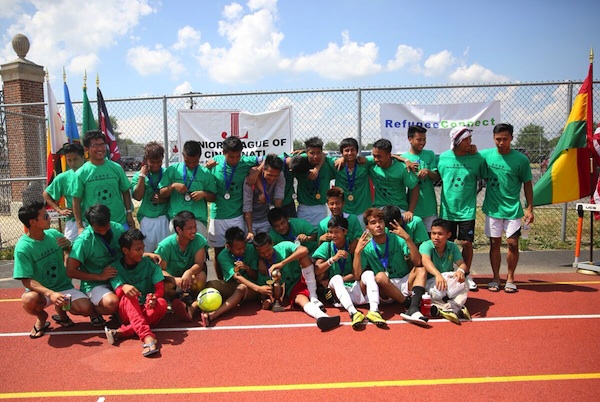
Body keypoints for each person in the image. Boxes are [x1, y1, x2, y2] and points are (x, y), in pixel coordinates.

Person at [13, 201, 94, 339]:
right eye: (45, 216)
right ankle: (41, 317)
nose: (49, 218)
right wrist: (51, 294)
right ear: (32, 222)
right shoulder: (23, 247)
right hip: (42, 292)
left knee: (86, 309)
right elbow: (26, 281)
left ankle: (62, 312)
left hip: (64, 287)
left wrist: (69, 246)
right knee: (28, 300)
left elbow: (71, 254)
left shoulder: (53, 234)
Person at [481, 123, 534, 293]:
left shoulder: (521, 160)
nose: (501, 142)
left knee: (512, 243)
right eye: (498, 139)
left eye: (505, 139)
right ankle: (496, 278)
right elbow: (466, 155)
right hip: (492, 208)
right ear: (493, 138)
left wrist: (530, 209)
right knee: (494, 243)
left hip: (512, 210)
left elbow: (527, 185)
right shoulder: (485, 155)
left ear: (511, 138)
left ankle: (510, 278)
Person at [354, 208, 428, 326]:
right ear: (367, 227)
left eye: (380, 221)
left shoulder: (396, 237)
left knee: (421, 269)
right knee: (380, 276)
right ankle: (408, 304)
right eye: (373, 223)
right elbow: (357, 275)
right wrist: (357, 253)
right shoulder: (366, 245)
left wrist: (408, 238)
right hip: (384, 289)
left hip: (403, 282)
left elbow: (418, 261)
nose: (378, 225)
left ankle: (413, 308)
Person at [253, 233, 340, 331]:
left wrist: (282, 263)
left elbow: (304, 250)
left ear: (272, 243)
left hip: (306, 277)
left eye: (268, 250)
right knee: (300, 300)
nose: (266, 254)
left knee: (303, 257)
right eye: (262, 253)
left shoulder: (283, 246)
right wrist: (265, 300)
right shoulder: (262, 267)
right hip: (293, 288)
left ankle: (313, 296)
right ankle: (321, 317)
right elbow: (261, 288)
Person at [313, 216, 386, 329]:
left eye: (336, 232)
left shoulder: (353, 245)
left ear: (345, 231)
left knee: (368, 274)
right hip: (337, 292)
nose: (333, 235)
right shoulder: (326, 246)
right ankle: (353, 313)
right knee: (336, 278)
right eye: (330, 232)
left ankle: (374, 310)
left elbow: (356, 275)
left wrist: (357, 253)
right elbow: (317, 270)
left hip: (355, 288)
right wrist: (333, 259)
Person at [437, 127, 487, 291]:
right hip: (447, 210)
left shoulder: (476, 158)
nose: (469, 142)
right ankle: (449, 273)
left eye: (470, 139)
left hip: (467, 210)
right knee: (447, 243)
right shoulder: (444, 158)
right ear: (456, 141)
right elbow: (437, 177)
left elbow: (485, 175)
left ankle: (465, 274)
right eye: (465, 139)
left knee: (467, 242)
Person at [105, 229, 167, 357]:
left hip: (146, 307)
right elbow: (117, 291)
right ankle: (147, 337)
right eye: (137, 249)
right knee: (130, 295)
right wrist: (124, 288)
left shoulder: (150, 264)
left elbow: (160, 288)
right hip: (126, 310)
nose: (142, 252)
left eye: (143, 248)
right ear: (125, 250)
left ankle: (122, 332)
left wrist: (154, 297)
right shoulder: (114, 268)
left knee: (162, 303)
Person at [207, 136, 259, 280]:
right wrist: (206, 167)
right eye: (231, 156)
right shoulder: (214, 163)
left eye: (237, 156)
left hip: (236, 216)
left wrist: (258, 170)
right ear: (224, 153)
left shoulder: (244, 162)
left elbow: (270, 158)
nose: (235, 159)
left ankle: (240, 281)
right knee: (218, 253)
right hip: (218, 215)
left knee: (240, 249)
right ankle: (221, 283)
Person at [67, 204, 125, 326]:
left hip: (120, 277)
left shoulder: (118, 229)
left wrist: (146, 255)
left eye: (106, 227)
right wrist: (99, 276)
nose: (103, 232)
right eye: (99, 230)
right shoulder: (83, 241)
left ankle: (120, 310)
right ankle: (93, 310)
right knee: (112, 303)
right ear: (90, 224)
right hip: (95, 283)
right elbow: (70, 271)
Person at [204, 227, 270, 326]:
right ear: (228, 247)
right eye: (239, 249)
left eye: (244, 247)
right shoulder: (222, 256)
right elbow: (237, 277)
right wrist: (259, 289)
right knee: (210, 284)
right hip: (236, 285)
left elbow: (256, 276)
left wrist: (248, 268)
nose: (243, 250)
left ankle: (213, 315)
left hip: (252, 288)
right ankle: (192, 308)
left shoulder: (252, 249)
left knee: (241, 288)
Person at [72, 130, 135, 233]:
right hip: (96, 226)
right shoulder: (81, 173)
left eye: (102, 144)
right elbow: (76, 201)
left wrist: (129, 213)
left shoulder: (116, 168)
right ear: (86, 149)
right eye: (95, 145)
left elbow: (125, 191)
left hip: (120, 222)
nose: (100, 148)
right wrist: (79, 226)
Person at [155, 211, 207, 321]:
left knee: (201, 276)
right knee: (165, 286)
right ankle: (176, 302)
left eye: (195, 227)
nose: (194, 231)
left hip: (189, 279)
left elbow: (199, 264)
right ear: (178, 229)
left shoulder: (199, 240)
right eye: (190, 228)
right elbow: (159, 271)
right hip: (173, 280)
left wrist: (189, 272)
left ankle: (191, 302)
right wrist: (174, 279)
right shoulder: (165, 246)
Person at [159, 140, 216, 239]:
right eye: (187, 161)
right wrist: (172, 186)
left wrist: (204, 194)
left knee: (198, 251)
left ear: (199, 157)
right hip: (176, 220)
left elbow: (214, 197)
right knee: (176, 251)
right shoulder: (173, 170)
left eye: (195, 162)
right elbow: (161, 194)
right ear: (183, 155)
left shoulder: (206, 173)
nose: (191, 164)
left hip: (198, 220)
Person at [419, 219, 470, 324]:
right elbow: (425, 260)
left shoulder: (452, 246)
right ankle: (454, 308)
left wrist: (460, 271)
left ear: (448, 235)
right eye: (433, 233)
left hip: (446, 281)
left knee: (465, 282)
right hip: (431, 282)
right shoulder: (426, 245)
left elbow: (462, 264)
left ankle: (448, 308)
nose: (436, 237)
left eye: (440, 234)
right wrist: (437, 274)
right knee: (429, 296)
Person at [43, 142, 86, 242]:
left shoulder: (92, 172)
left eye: (75, 159)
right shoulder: (63, 178)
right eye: (69, 160)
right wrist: (59, 210)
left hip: (94, 219)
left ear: (83, 157)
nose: (72, 163)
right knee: (70, 249)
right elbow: (46, 194)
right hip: (74, 221)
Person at [368, 139, 419, 222]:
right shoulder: (372, 165)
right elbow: (357, 159)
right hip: (379, 208)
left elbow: (415, 188)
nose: (376, 159)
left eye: (379, 156)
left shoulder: (402, 168)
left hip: (399, 209)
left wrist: (410, 211)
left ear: (389, 155)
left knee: (416, 222)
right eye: (374, 156)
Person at [401, 125, 440, 232]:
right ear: (410, 139)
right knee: (413, 239)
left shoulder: (430, 154)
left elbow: (437, 176)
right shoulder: (404, 158)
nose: (422, 142)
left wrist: (428, 172)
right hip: (412, 208)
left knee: (430, 238)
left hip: (429, 207)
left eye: (424, 139)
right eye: (419, 139)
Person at [132, 142, 170, 252]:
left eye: (159, 162)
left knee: (164, 252)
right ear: (146, 160)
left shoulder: (167, 173)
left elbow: (173, 195)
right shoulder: (139, 176)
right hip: (147, 219)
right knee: (147, 252)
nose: (156, 165)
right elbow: (138, 197)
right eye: (152, 162)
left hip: (164, 217)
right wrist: (142, 176)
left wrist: (163, 199)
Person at [327, 138, 372, 226]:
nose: (350, 153)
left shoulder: (364, 163)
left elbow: (384, 155)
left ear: (357, 151)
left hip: (362, 209)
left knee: (362, 237)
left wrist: (405, 160)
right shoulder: (336, 164)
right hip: (344, 210)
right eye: (346, 151)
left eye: (353, 150)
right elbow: (321, 155)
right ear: (341, 152)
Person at [293, 137, 335, 227]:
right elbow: (287, 160)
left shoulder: (327, 163)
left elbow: (337, 161)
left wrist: (318, 168)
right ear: (306, 152)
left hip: (321, 207)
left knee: (320, 235)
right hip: (304, 207)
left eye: (318, 153)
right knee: (303, 235)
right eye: (312, 153)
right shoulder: (301, 161)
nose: (315, 156)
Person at [244, 153, 285, 239]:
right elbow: (247, 206)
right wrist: (250, 231)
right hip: (249, 221)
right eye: (269, 175)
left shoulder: (280, 176)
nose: (272, 178)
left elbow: (278, 199)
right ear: (262, 169)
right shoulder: (250, 179)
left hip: (266, 219)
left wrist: (275, 222)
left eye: (275, 176)